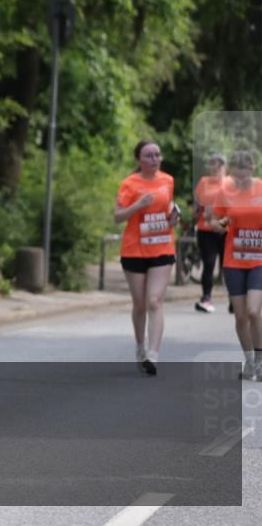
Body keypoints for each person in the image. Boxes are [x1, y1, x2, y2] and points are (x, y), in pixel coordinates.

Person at [114, 140, 180, 376]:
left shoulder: (168, 180)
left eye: (157, 155)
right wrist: (138, 205)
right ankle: (140, 346)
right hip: (134, 250)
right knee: (140, 304)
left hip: (162, 248)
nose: (154, 159)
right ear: (139, 160)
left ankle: (153, 354)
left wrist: (174, 217)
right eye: (149, 155)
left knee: (154, 301)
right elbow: (118, 216)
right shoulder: (129, 183)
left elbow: (168, 207)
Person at [207, 150, 262, 381]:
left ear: (252, 169)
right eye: (235, 176)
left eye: (244, 175)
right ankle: (249, 362)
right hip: (234, 260)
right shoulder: (225, 191)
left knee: (253, 310)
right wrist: (220, 224)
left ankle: (260, 362)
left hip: (259, 260)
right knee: (240, 316)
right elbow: (213, 221)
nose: (239, 181)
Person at [193, 153, 229, 313]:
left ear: (225, 167)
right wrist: (196, 215)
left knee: (227, 266)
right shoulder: (203, 182)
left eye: (219, 164)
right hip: (206, 230)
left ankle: (234, 300)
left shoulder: (231, 183)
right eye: (213, 163)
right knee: (208, 264)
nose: (215, 167)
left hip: (225, 230)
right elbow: (196, 206)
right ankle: (206, 298)